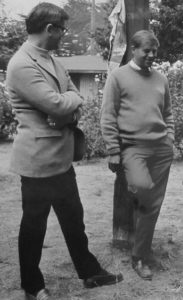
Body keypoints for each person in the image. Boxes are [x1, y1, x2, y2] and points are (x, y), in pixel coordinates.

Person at [6, 3, 123, 299]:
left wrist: (67, 105)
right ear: (50, 29)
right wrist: (66, 104)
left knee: (74, 219)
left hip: (61, 158)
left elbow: (72, 97)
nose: (63, 35)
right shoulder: (21, 63)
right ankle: (32, 287)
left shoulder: (52, 60)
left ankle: (90, 273)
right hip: (37, 161)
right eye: (62, 30)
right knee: (34, 226)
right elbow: (58, 104)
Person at [100, 30, 174, 280]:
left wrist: (170, 138)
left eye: (155, 51)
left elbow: (168, 113)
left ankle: (142, 253)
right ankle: (139, 255)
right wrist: (113, 150)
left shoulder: (161, 79)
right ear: (134, 49)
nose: (152, 55)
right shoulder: (118, 77)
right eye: (147, 51)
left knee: (153, 204)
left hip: (161, 149)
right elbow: (108, 115)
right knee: (143, 197)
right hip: (133, 149)